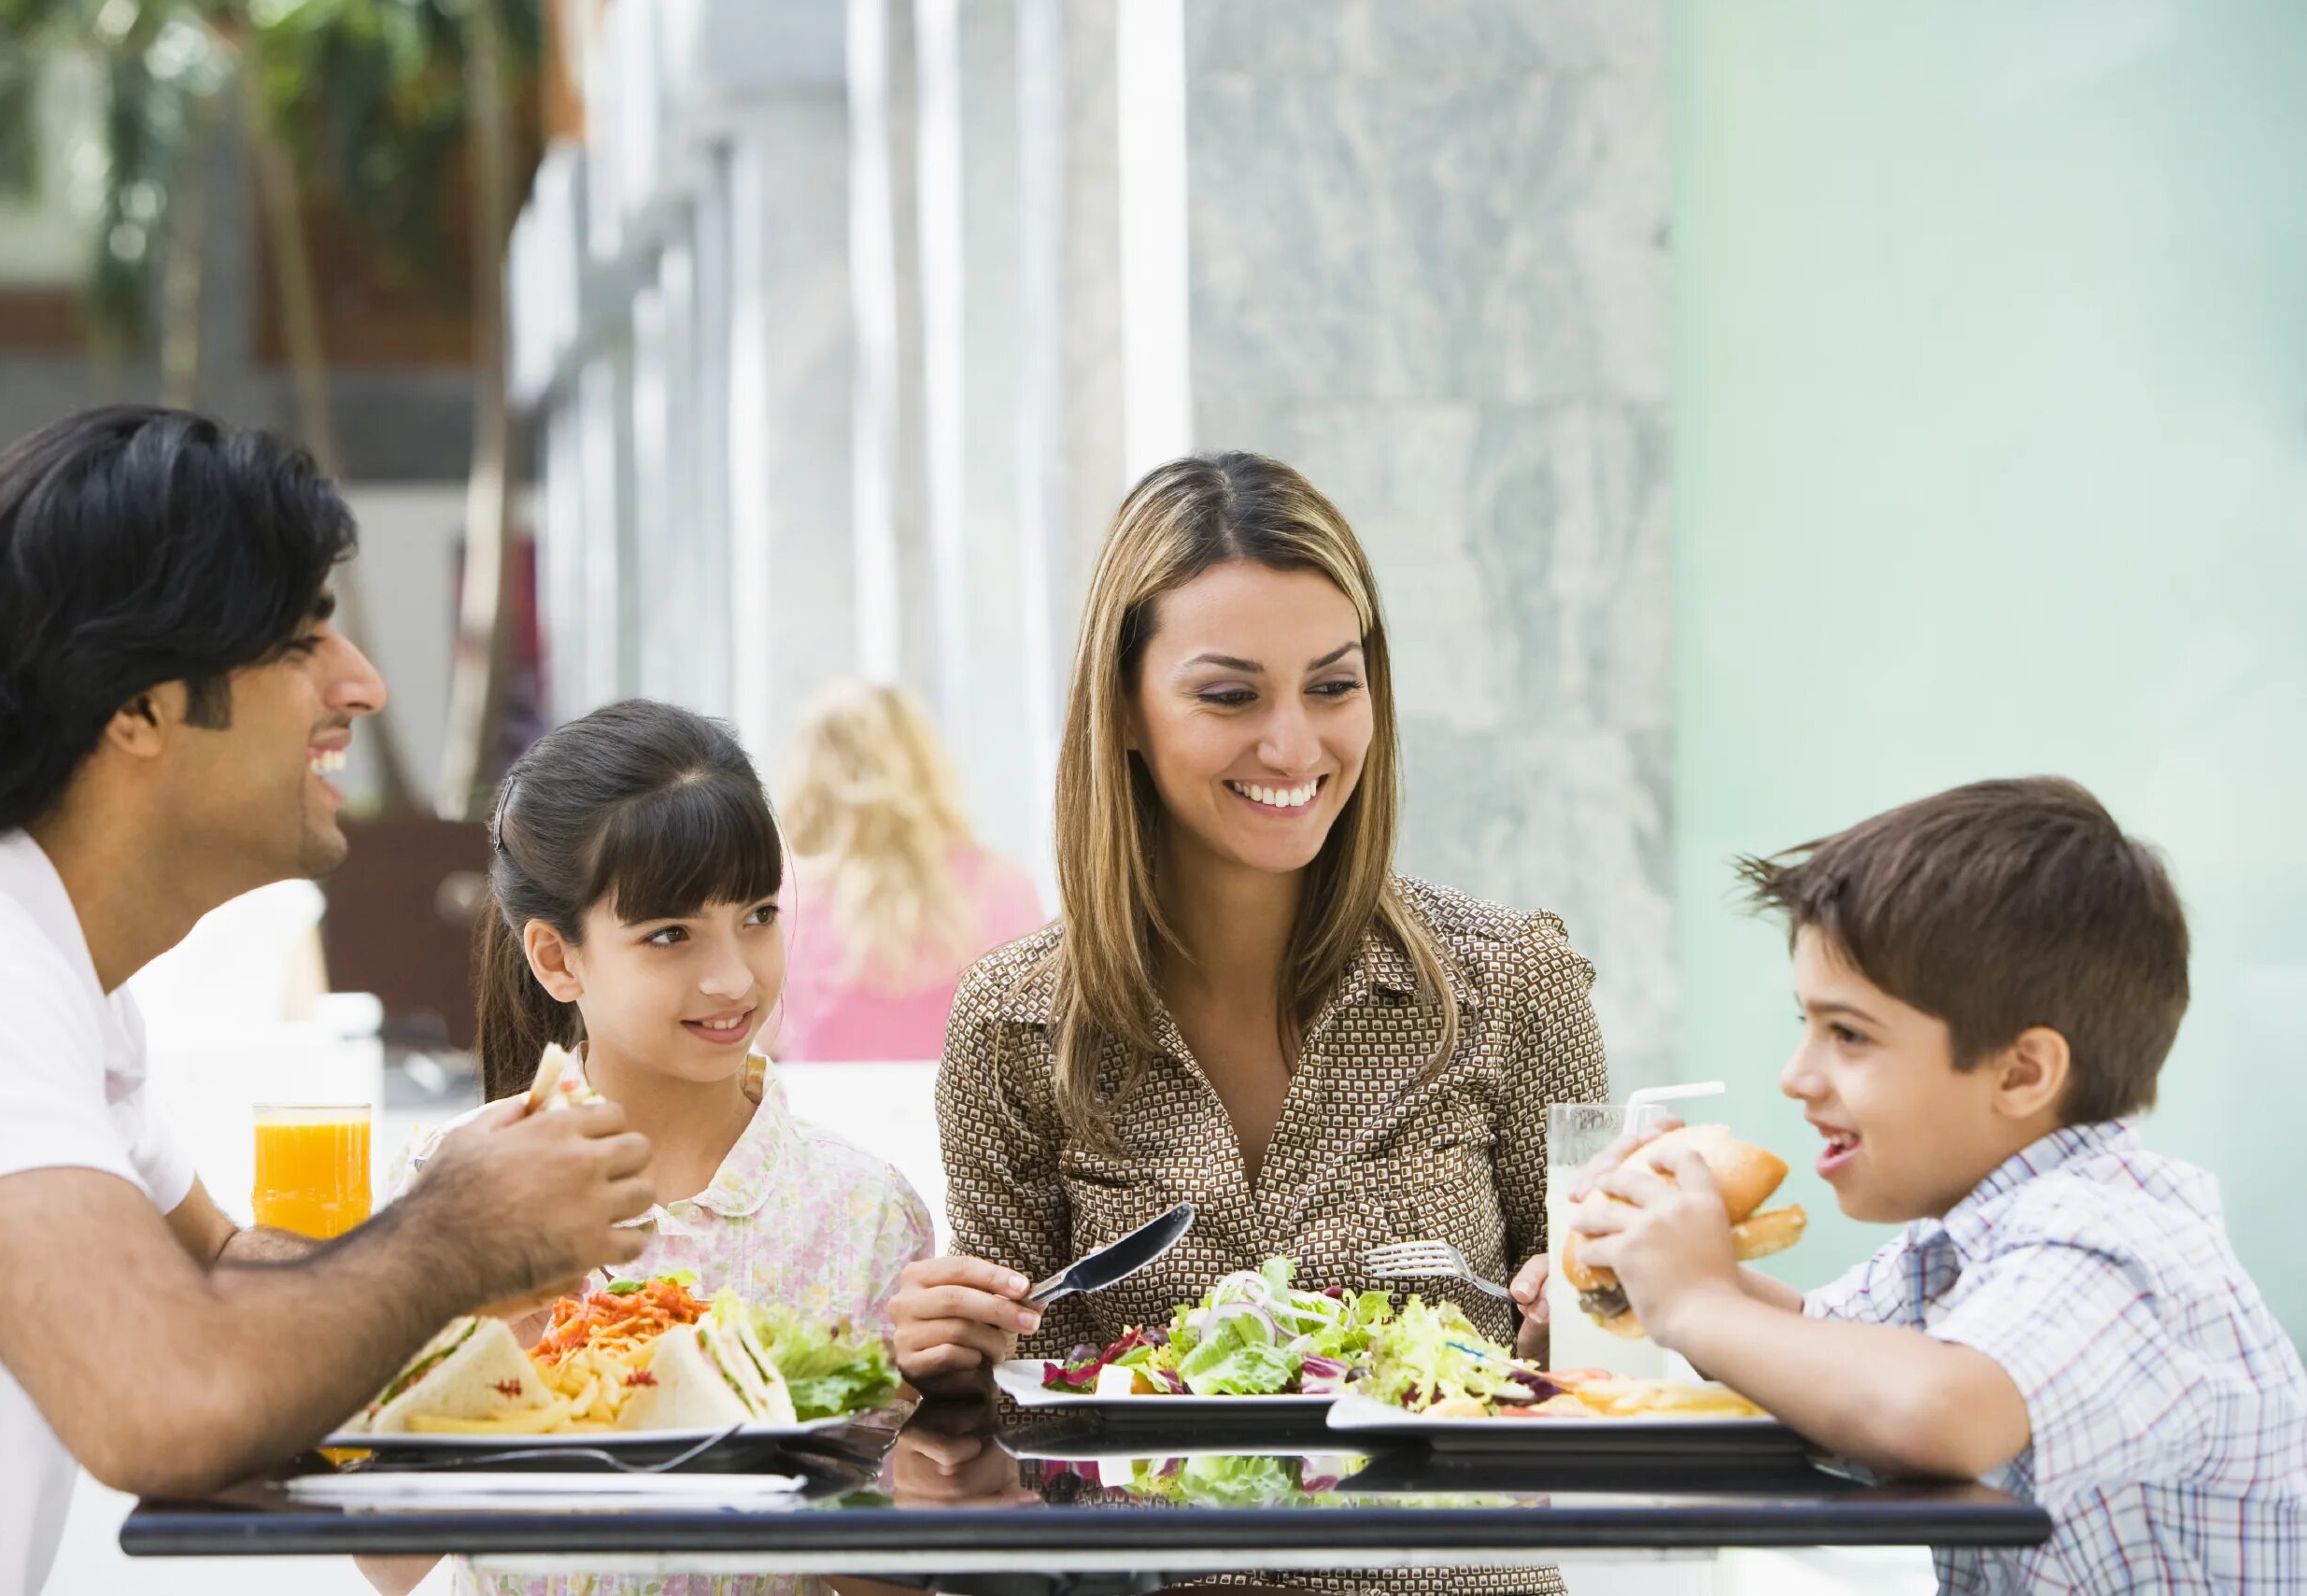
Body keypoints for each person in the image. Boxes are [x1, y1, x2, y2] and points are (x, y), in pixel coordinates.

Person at [0, 408, 658, 1596]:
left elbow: (223, 1274)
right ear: (135, 704)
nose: (364, 684)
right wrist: (455, 1232)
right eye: (301, 642)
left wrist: (506, 1286)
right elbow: (166, 1396)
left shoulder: (20, 951)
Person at [889, 450, 1610, 1596]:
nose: (1293, 746)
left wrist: (1583, 1312)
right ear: (1123, 706)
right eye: (1230, 695)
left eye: (1333, 685)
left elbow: (1605, 1337)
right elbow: (1009, 1416)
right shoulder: (1014, 1023)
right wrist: (942, 1355)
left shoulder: (1515, 982)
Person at [1568, 777, 2305, 1594]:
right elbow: (1817, 1343)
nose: (1795, 1077)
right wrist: (1658, 1254)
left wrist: (1697, 1302)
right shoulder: (1967, 1237)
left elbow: (1936, 1415)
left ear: (2022, 1073)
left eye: (1847, 1033)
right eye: (1804, 1025)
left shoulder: (2113, 1239)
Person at [372, 698, 934, 1596]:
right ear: (558, 959)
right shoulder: (455, 1180)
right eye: (669, 934)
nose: (733, 976)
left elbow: (884, 1585)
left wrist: (937, 1422)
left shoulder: (864, 1209)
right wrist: (498, 1328)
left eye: (757, 915)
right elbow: (386, 1558)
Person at [773, 680, 1042, 1061]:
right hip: (962, 1120)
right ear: (926, 762)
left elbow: (760, 1053)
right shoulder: (1005, 886)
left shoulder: (780, 900)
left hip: (818, 1115)